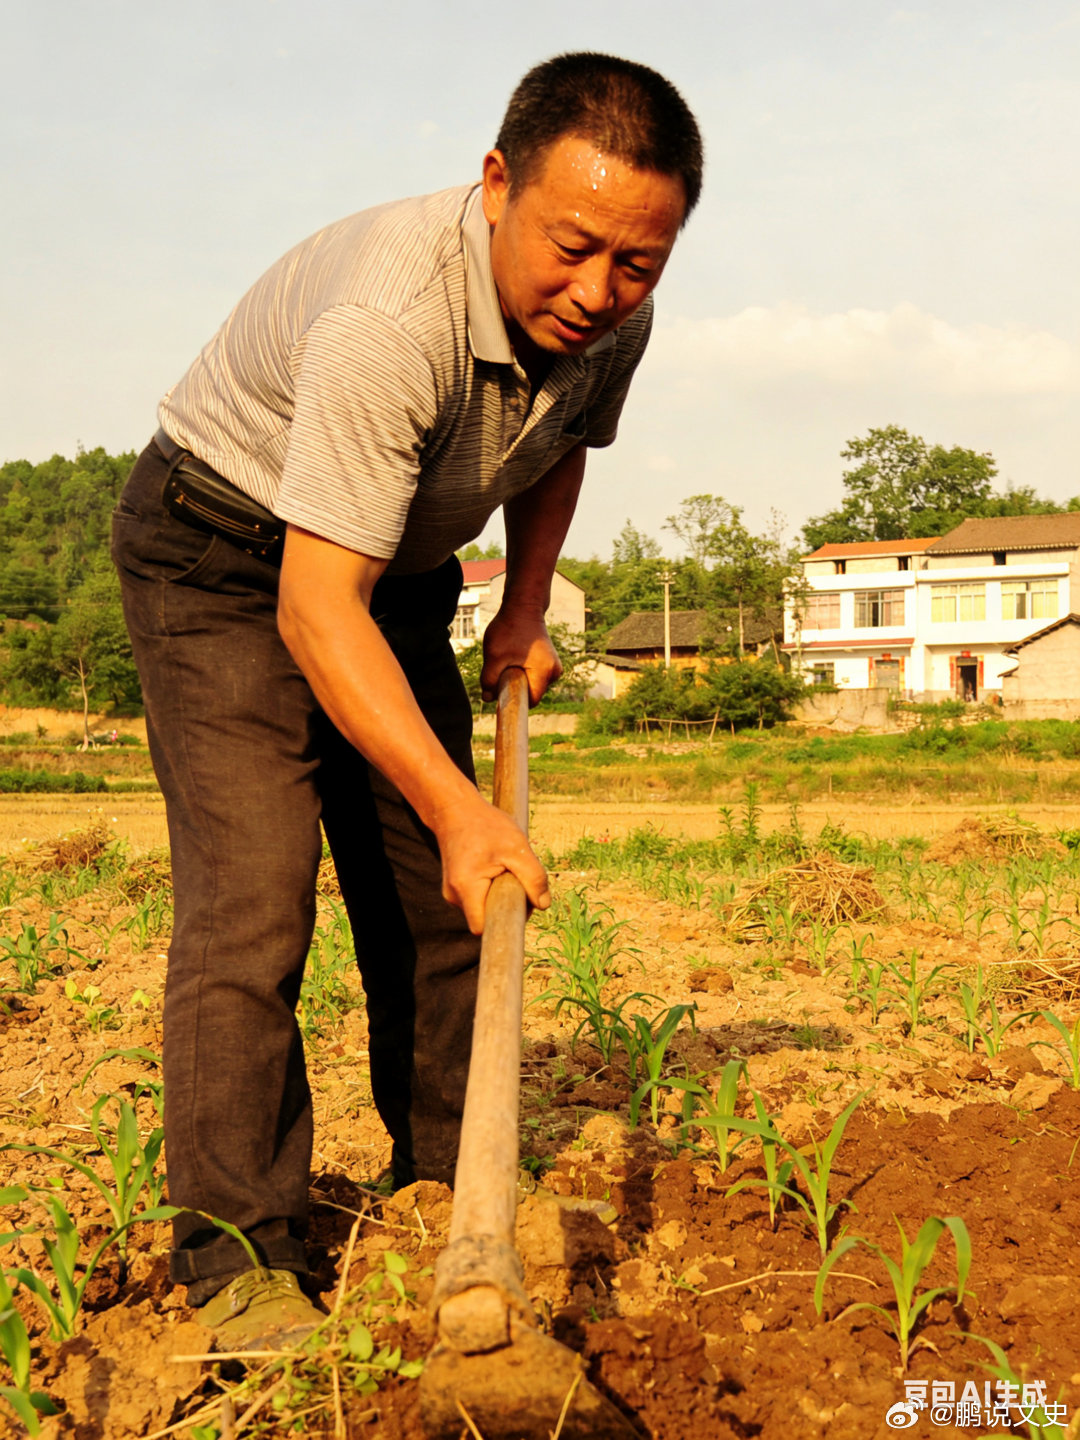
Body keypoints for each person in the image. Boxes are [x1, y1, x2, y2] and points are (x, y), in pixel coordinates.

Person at [112, 51, 702, 1350]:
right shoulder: (393, 317)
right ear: (497, 184)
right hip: (224, 554)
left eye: (639, 265)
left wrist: (529, 606)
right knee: (256, 899)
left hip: (394, 574)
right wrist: (459, 806)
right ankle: (237, 1262)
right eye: (574, 248)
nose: (597, 292)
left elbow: (561, 444)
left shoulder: (611, 313)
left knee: (442, 903)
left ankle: (446, 1179)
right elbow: (315, 606)